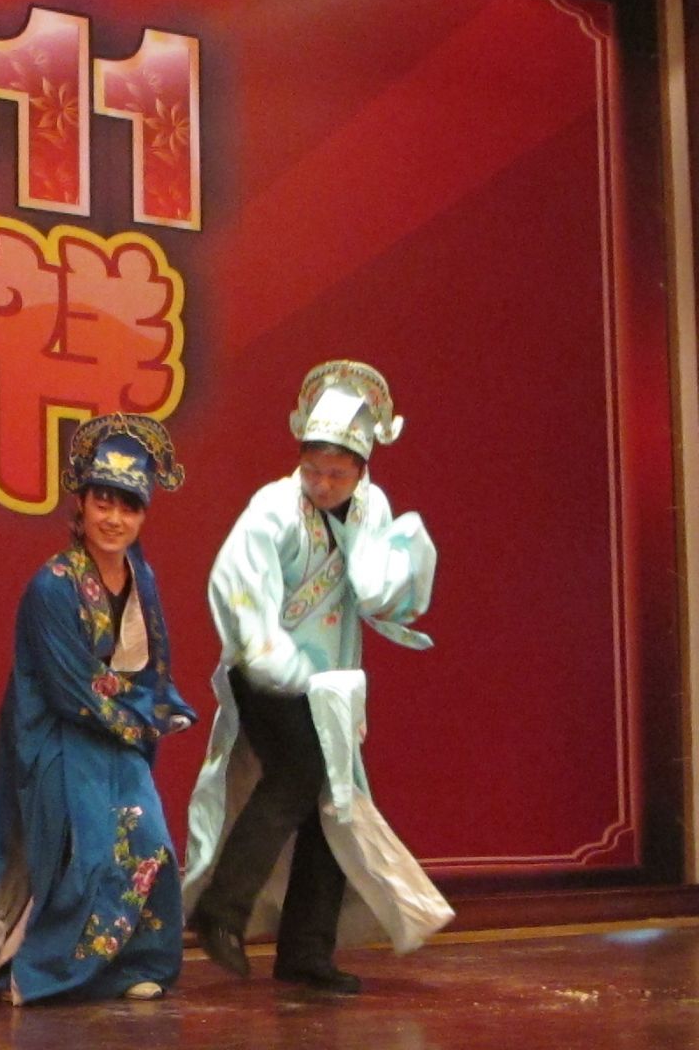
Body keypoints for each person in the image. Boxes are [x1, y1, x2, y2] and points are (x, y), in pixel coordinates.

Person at [183, 360, 452, 995]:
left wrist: (394, 553)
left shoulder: (371, 507)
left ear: (362, 469)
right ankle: (222, 908)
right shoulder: (273, 508)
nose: (323, 483)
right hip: (268, 670)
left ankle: (306, 950)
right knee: (302, 773)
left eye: (337, 473)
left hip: (329, 683)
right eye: (314, 469)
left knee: (336, 800)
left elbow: (379, 596)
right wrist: (279, 663)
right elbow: (235, 586)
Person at [0, 413, 198, 1005]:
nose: (114, 518)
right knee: (93, 849)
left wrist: (159, 705)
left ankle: (137, 963)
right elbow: (74, 688)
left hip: (118, 736)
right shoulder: (52, 585)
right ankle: (40, 970)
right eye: (103, 501)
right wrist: (145, 714)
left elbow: (153, 664)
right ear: (82, 502)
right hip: (60, 737)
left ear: (143, 514)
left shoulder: (141, 577)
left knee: (152, 842)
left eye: (129, 506)